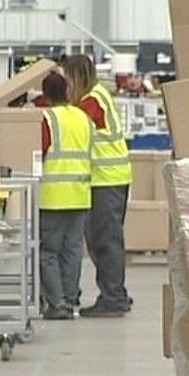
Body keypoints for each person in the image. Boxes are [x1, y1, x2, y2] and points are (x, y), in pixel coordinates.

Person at [62, 55, 133, 318]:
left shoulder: (90, 102)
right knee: (106, 237)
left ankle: (112, 297)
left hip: (106, 179)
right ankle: (117, 293)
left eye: (67, 78)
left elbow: (74, 127)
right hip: (111, 177)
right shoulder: (98, 94)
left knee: (104, 239)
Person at [38, 72, 93, 320]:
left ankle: (56, 303)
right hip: (80, 193)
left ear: (45, 94)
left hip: (53, 195)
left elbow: (40, 151)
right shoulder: (82, 117)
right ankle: (71, 300)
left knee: (48, 252)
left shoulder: (47, 118)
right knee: (72, 251)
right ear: (68, 92)